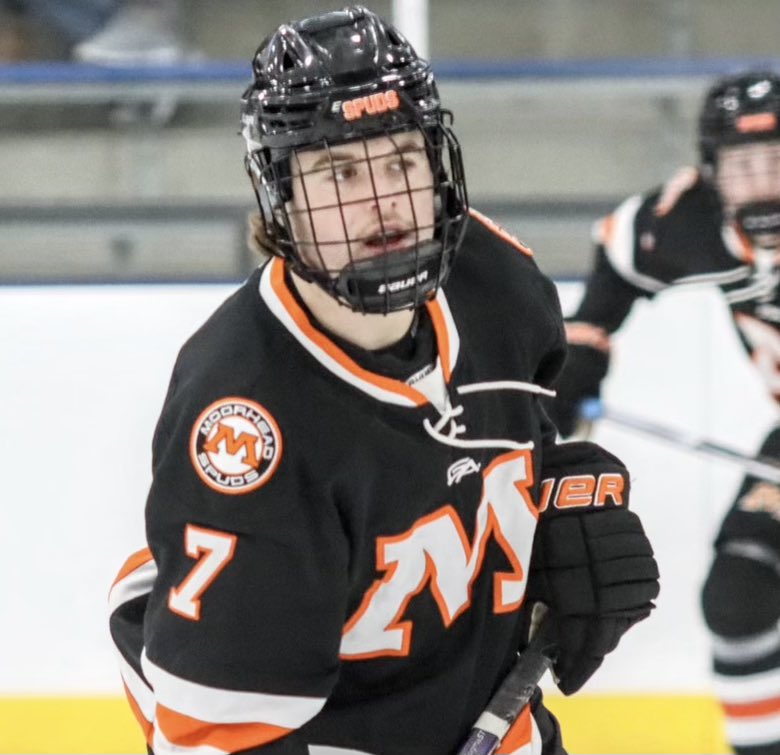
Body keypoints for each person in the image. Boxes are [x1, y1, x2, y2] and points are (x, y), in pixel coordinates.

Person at [107, 7, 659, 754]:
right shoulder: (245, 417)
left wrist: (570, 496)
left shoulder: (497, 283)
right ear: (282, 199)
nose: (383, 204)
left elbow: (526, 443)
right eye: (339, 172)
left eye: (401, 161)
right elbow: (217, 732)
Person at [545, 70, 780, 755]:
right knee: (738, 597)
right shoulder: (687, 222)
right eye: (744, 167)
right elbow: (620, 252)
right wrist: (585, 349)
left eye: (778, 163)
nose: (763, 184)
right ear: (711, 172)